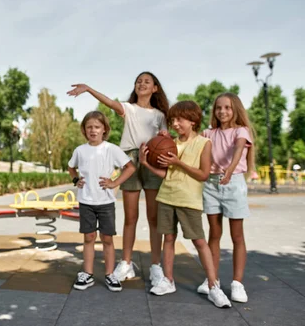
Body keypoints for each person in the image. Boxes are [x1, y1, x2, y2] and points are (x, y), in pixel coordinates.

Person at [67, 72, 169, 286]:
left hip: (150, 158)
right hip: (130, 157)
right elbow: (110, 102)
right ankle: (126, 262)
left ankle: (155, 265)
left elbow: (166, 140)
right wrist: (88, 88)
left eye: (147, 82)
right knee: (130, 217)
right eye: (139, 81)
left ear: (155, 88)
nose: (142, 84)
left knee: (153, 218)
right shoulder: (129, 109)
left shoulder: (160, 116)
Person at [140, 100, 232, 308]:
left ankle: (213, 286)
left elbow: (203, 174)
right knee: (169, 239)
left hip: (188, 200)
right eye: (172, 120)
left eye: (179, 120)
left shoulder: (204, 143)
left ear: (192, 121)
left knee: (199, 242)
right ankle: (168, 281)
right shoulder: (172, 143)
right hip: (166, 196)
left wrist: (179, 162)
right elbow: (167, 175)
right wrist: (146, 163)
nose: (175, 124)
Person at [68, 111, 136, 292]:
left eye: (97, 127)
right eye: (89, 127)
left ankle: (109, 274)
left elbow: (130, 168)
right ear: (84, 130)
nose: (93, 130)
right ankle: (88, 274)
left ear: (104, 129)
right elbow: (70, 166)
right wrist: (75, 180)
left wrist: (114, 183)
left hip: (105, 202)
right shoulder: (80, 150)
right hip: (86, 202)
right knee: (89, 237)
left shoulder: (111, 149)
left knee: (107, 238)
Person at [198, 92, 255, 303]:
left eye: (227, 107)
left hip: (234, 183)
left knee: (237, 236)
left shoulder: (241, 130)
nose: (222, 111)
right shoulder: (207, 133)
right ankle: (212, 280)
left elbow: (239, 148)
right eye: (218, 108)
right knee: (214, 234)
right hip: (211, 185)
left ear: (235, 110)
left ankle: (237, 283)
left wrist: (230, 169)